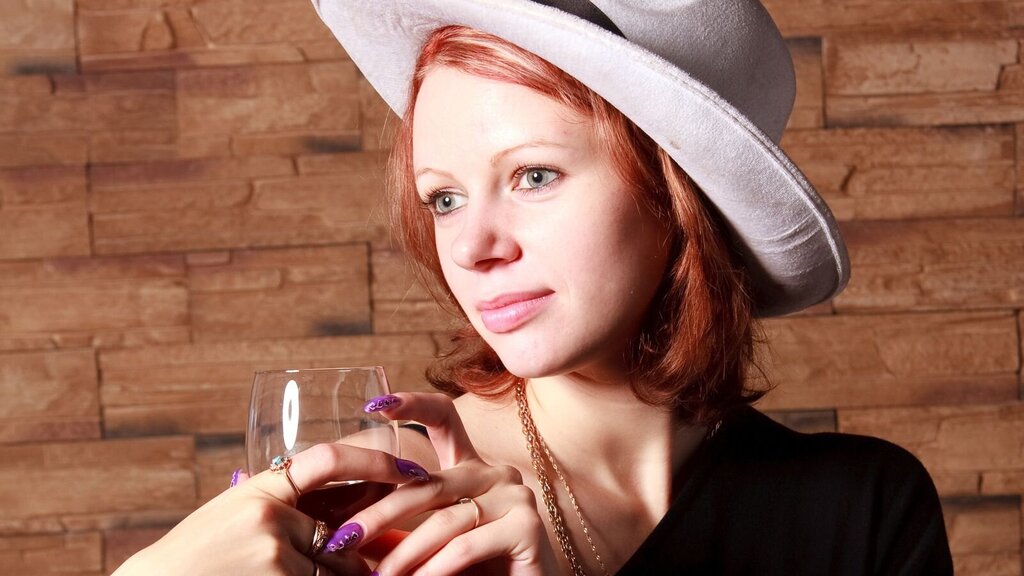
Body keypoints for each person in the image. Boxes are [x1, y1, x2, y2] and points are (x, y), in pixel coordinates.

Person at [114, 1, 954, 575]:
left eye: (534, 176)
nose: (472, 247)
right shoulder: (379, 506)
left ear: (676, 199)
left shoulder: (865, 510)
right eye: (444, 198)